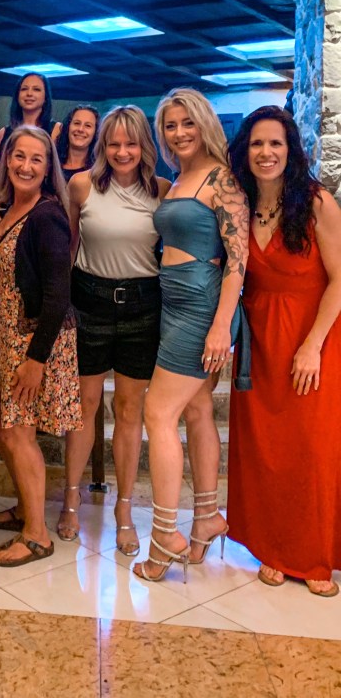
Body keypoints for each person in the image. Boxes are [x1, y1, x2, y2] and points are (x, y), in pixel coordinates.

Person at [133, 88, 249, 584]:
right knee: (198, 410)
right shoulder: (180, 178)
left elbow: (238, 261)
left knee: (158, 413)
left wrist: (222, 325)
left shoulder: (222, 179)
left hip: (202, 306)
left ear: (204, 125)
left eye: (187, 123)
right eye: (170, 125)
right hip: (174, 300)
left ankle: (164, 538)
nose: (179, 133)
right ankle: (205, 517)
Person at [228, 106, 341, 597]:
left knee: (312, 450)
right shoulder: (241, 203)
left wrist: (312, 346)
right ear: (245, 150)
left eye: (275, 143)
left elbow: (340, 279)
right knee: (265, 451)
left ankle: (313, 553)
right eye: (257, 143)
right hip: (259, 343)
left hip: (312, 338)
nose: (266, 152)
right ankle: (272, 548)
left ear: (291, 150)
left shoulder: (317, 203)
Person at [60, 106, 170, 548]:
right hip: (89, 302)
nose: (122, 152)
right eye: (114, 143)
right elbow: (68, 247)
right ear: (102, 146)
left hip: (143, 304)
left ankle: (124, 506)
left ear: (145, 146)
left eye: (131, 143)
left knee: (129, 410)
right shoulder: (82, 185)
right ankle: (71, 498)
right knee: (84, 406)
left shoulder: (162, 190)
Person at [0, 127, 82, 567]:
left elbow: (59, 294)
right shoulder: (8, 209)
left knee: (16, 433)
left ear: (48, 167)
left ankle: (37, 535)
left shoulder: (47, 215)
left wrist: (36, 359)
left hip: (36, 341)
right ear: (6, 159)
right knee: (10, 431)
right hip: (12, 335)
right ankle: (26, 509)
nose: (25, 166)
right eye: (18, 156)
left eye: (36, 159)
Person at [0, 72, 61, 158]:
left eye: (36, 89)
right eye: (24, 89)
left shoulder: (57, 130)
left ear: (45, 97)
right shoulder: (3, 133)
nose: (29, 93)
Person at [55, 105, 99, 183]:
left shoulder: (99, 171)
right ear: (68, 127)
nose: (80, 129)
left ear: (95, 132)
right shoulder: (51, 164)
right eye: (77, 123)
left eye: (88, 126)